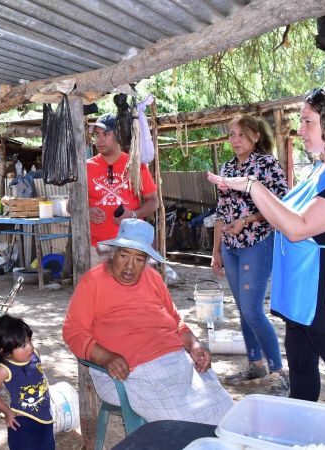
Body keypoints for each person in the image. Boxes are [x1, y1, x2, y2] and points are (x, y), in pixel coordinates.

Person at [207, 87, 325, 413]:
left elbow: (297, 227)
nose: (300, 130)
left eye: (308, 122)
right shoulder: (324, 169)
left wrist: (252, 186)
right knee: (302, 373)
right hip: (304, 293)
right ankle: (301, 430)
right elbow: (284, 215)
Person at [63, 219, 233, 425]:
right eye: (124, 255)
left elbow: (175, 320)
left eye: (139, 259)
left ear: (146, 260)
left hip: (177, 362)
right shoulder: (92, 282)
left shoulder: (153, 277)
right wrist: (105, 357)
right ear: (114, 252)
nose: (130, 266)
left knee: (226, 410)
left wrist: (194, 343)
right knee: (182, 422)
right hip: (129, 373)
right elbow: (73, 332)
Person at [211, 115, 290, 395]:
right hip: (230, 246)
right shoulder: (227, 168)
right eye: (231, 135)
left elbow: (281, 204)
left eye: (241, 135)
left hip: (258, 243)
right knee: (243, 308)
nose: (235, 140)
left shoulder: (267, 165)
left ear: (255, 136)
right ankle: (255, 365)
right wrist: (216, 251)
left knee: (252, 309)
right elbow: (221, 212)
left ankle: (278, 372)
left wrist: (247, 220)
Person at [87, 113, 158, 266]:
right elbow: (70, 205)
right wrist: (86, 212)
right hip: (95, 246)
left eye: (106, 134)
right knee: (96, 282)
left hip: (130, 246)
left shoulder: (135, 165)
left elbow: (153, 201)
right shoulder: (86, 167)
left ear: (118, 135)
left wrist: (133, 215)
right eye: (97, 134)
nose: (99, 139)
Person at [0, 315, 54, 450]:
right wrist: (7, 412)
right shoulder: (4, 370)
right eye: (23, 345)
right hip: (22, 423)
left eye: (29, 341)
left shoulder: (36, 354)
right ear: (5, 351)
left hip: (46, 419)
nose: (30, 347)